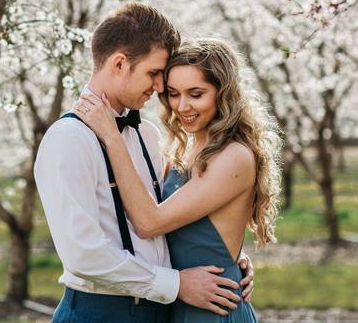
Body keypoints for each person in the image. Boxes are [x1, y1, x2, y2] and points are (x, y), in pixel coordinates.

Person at [34, 4, 254, 323]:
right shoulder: (68, 139)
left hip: (165, 309)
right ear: (120, 63)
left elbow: (168, 219)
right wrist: (176, 284)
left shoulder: (147, 135)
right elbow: (84, 254)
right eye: (154, 74)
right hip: (102, 312)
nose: (160, 88)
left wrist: (228, 257)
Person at [75, 38, 281, 323]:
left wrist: (112, 137)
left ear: (224, 93)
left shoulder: (234, 156)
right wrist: (232, 255)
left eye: (196, 94)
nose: (182, 106)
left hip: (211, 311)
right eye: (173, 94)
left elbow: (150, 222)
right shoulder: (185, 149)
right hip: (181, 303)